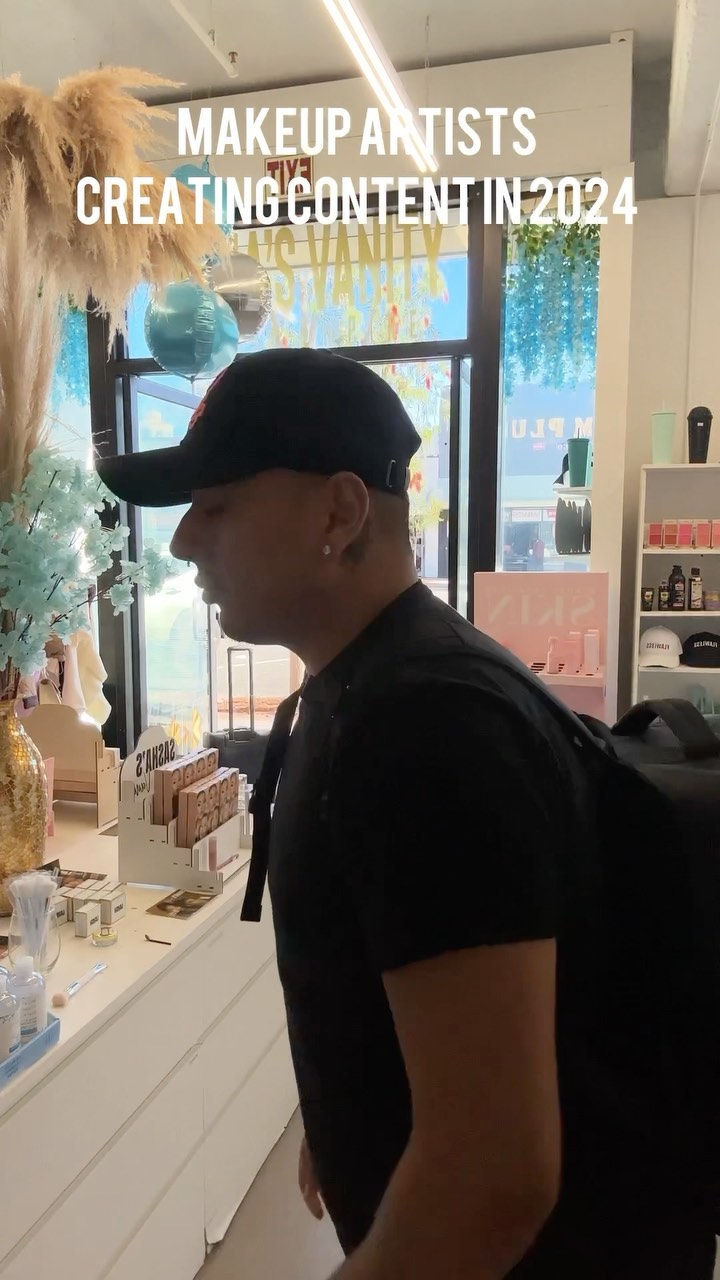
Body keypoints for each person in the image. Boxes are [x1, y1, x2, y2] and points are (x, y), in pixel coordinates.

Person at [97, 349, 717, 1280]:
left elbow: (491, 1177)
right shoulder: (374, 684)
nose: (183, 541)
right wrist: (349, 1108)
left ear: (339, 514)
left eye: (215, 505)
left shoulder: (424, 726)